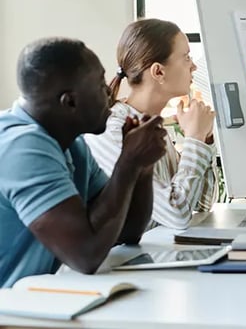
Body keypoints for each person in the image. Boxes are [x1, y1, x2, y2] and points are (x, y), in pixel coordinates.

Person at [0, 38, 167, 287]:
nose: (110, 92)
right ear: (70, 102)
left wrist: (142, 166)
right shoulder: (22, 146)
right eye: (100, 85)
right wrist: (129, 162)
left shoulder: (72, 145)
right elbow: (85, 255)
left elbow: (127, 231)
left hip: (27, 304)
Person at [85, 19, 218, 230]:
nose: (194, 66)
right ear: (158, 72)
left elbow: (201, 205)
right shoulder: (114, 129)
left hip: (151, 252)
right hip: (118, 259)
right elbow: (178, 215)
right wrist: (195, 139)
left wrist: (204, 137)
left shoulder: (153, 126)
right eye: (186, 57)